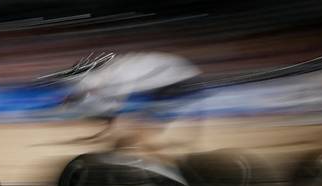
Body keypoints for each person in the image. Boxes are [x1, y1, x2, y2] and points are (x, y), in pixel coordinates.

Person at [46, 50, 204, 154]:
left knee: (137, 133)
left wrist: (100, 134)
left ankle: (165, 166)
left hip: (175, 79)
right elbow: (110, 110)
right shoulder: (110, 71)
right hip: (176, 76)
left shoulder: (108, 78)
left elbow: (112, 111)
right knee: (138, 129)